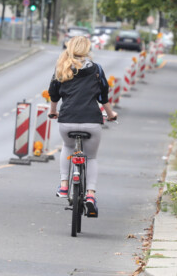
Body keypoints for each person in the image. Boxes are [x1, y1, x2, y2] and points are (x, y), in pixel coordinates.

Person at [48, 35, 117, 218]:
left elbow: (53, 94)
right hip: (91, 121)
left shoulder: (61, 67)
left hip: (67, 120)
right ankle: (90, 196)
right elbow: (103, 97)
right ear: (87, 50)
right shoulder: (96, 69)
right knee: (91, 157)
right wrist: (110, 114)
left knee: (68, 147)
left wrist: (53, 112)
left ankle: (64, 186)